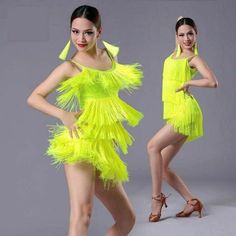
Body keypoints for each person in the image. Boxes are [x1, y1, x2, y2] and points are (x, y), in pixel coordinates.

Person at [27, 5, 143, 236]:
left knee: (127, 220)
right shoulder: (69, 67)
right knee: (83, 214)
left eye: (88, 32)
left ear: (99, 32)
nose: (80, 38)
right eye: (75, 32)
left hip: (104, 146)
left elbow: (108, 98)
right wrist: (64, 114)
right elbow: (34, 97)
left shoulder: (110, 56)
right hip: (80, 141)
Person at [147, 16, 218, 222]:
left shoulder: (194, 58)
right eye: (182, 34)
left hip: (185, 112)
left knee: (152, 147)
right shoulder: (174, 55)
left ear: (196, 35)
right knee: (162, 167)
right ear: (176, 37)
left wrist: (190, 82)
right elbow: (179, 25)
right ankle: (192, 201)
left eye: (190, 34)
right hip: (176, 111)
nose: (186, 38)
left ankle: (156, 199)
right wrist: (180, 20)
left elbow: (212, 82)